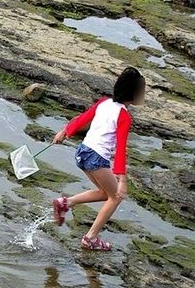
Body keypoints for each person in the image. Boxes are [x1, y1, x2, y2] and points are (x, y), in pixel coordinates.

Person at [50, 67, 146, 251]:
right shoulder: (124, 116)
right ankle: (90, 238)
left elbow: (82, 118)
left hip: (82, 152)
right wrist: (122, 180)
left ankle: (65, 203)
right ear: (134, 94)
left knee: (105, 193)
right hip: (96, 157)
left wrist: (65, 131)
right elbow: (120, 149)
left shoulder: (104, 102)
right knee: (116, 196)